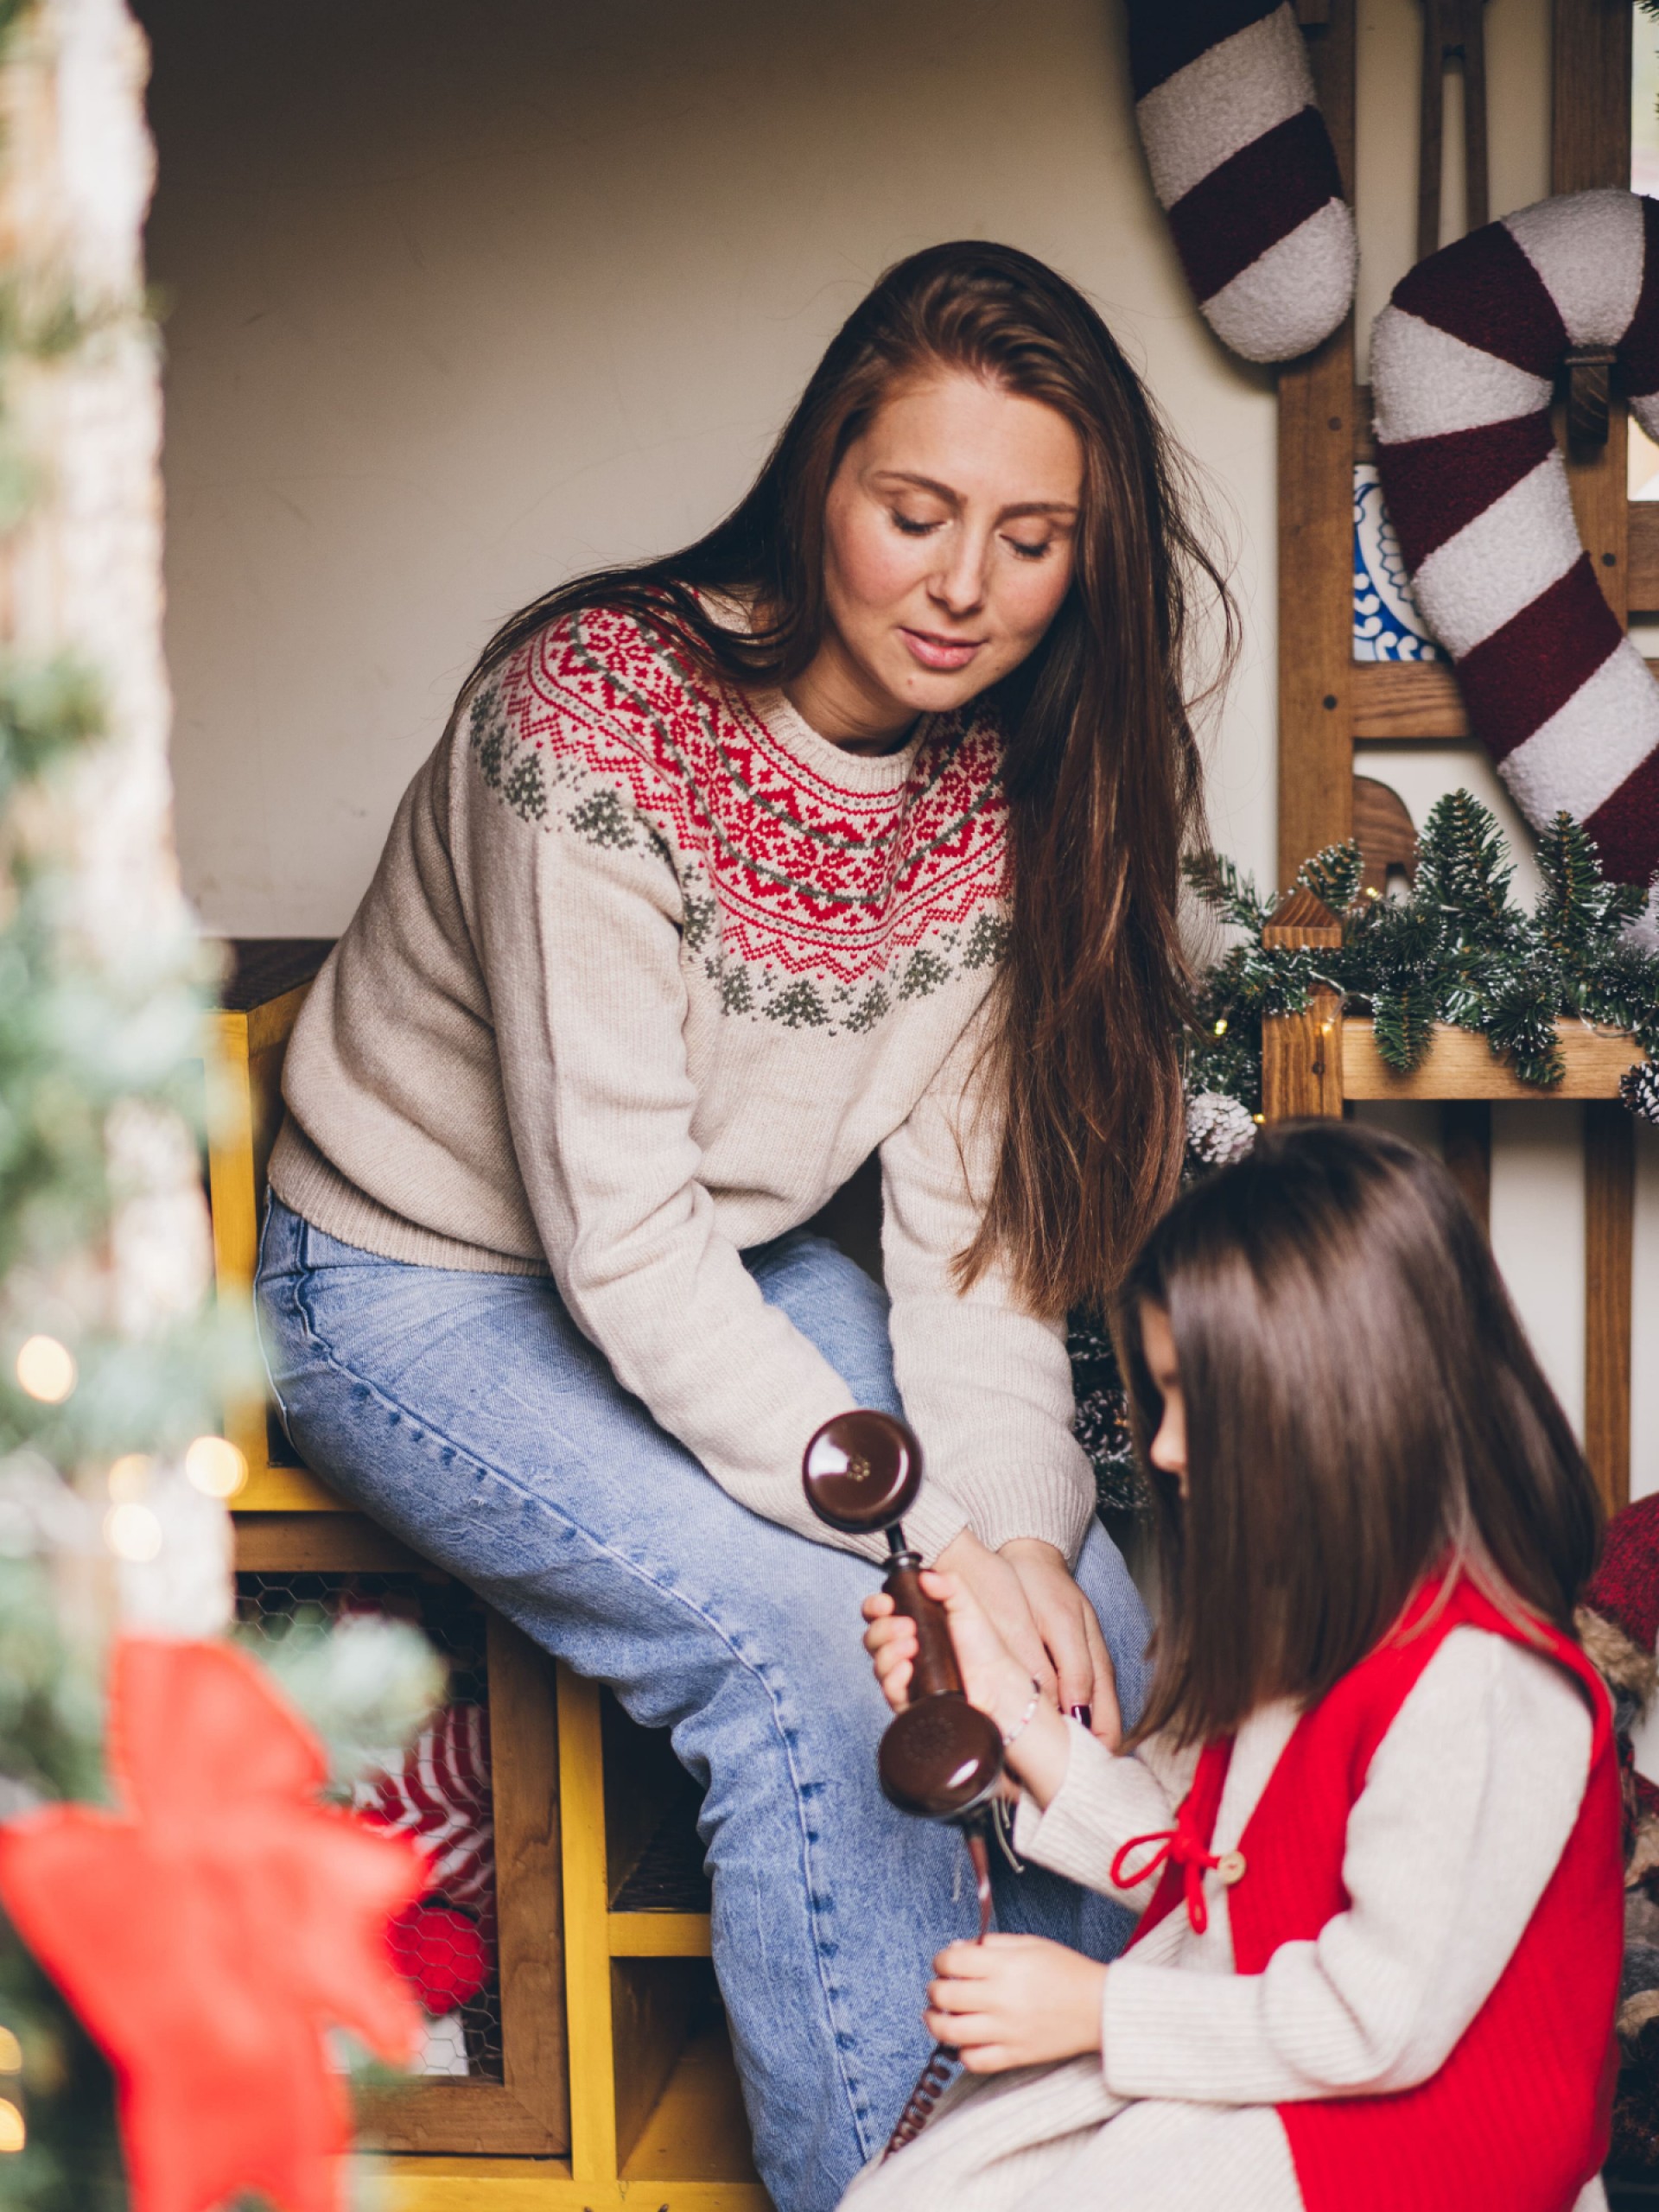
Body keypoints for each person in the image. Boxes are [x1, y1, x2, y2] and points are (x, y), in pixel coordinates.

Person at [254, 238, 1232, 2211]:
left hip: (719, 1255)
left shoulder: (1012, 791)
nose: (964, 588)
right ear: (824, 482)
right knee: (822, 1644)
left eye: (1031, 540)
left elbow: (966, 1251)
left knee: (1084, 1620)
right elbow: (613, 1243)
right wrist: (923, 1544)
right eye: (916, 512)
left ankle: (1141, 2156)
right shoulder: (596, 715)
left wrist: (1015, 1540)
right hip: (410, 1278)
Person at [853, 1119, 1622, 2212]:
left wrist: (1100, 2013)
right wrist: (1004, 1710)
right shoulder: (1306, 1621)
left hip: (1406, 2154)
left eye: (1198, 1409)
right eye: (1159, 1404)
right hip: (1267, 2068)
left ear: (1342, 1410)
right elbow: (1203, 1861)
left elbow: (1376, 2016)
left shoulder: (1481, 1689)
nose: (1164, 1451)